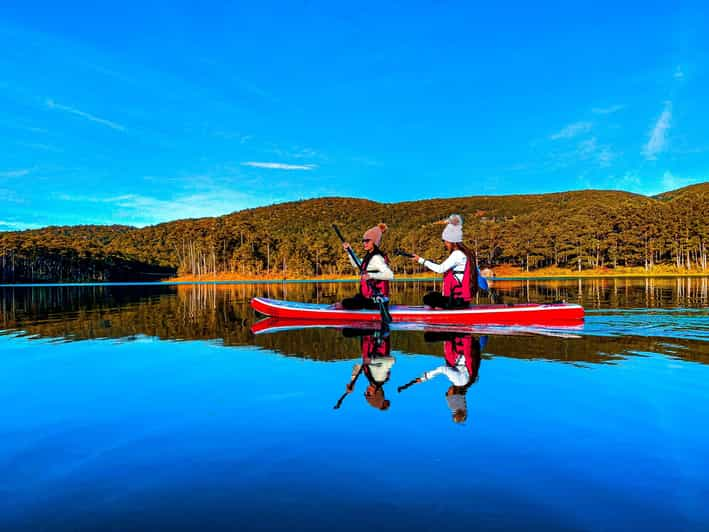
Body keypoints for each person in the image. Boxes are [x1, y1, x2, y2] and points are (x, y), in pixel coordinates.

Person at [398, 333, 483, 424]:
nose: (447, 391)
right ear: (454, 393)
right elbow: (442, 369)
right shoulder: (459, 382)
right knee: (428, 338)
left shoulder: (466, 382)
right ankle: (449, 336)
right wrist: (425, 377)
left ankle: (449, 337)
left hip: (463, 347)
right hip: (463, 343)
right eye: (447, 393)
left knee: (443, 354)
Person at [411, 214, 478, 308]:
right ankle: (440, 307)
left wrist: (420, 260)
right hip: (462, 300)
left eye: (446, 241)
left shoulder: (457, 254)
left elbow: (440, 269)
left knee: (428, 298)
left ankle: (439, 311)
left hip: (455, 301)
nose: (445, 244)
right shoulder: (466, 254)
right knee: (433, 295)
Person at [341, 223, 394, 310]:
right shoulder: (369, 256)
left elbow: (390, 275)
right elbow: (356, 264)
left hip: (377, 300)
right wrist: (349, 251)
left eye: (367, 241)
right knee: (351, 300)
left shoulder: (377, 257)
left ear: (374, 242)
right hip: (368, 297)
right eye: (363, 241)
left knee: (346, 303)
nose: (364, 243)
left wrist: (371, 275)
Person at [340, 328, 395, 411]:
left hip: (367, 335)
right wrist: (372, 361)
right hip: (377, 333)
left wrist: (352, 382)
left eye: (365, 394)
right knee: (346, 332)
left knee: (346, 332)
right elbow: (391, 360)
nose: (366, 391)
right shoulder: (381, 378)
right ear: (376, 393)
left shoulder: (370, 378)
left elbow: (358, 366)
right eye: (368, 394)